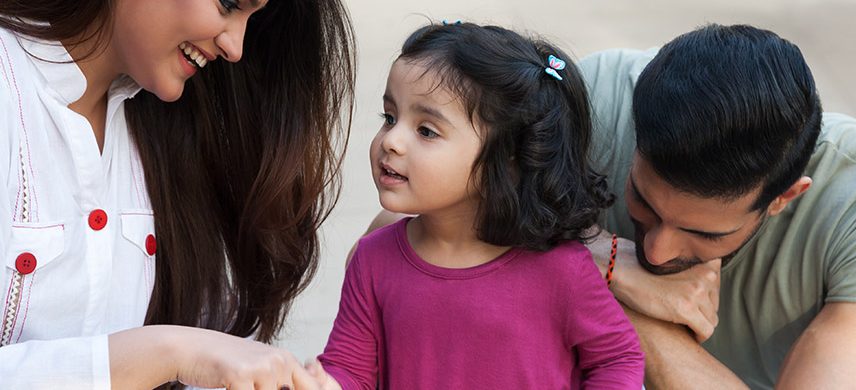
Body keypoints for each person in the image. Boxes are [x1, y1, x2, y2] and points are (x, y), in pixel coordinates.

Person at [0, 0, 355, 388]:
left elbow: (208, 353)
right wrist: (168, 353)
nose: (235, 46)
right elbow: (184, 353)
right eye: (229, 4)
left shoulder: (164, 132)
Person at [579, 24, 856, 388]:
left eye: (704, 234)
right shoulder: (592, 103)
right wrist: (599, 255)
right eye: (644, 201)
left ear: (784, 197)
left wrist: (622, 304)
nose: (656, 252)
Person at [318, 22, 645, 389]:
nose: (391, 140)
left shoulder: (561, 269)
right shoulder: (372, 260)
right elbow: (348, 370)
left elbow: (618, 359)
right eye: (390, 117)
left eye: (426, 130)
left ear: (507, 156)